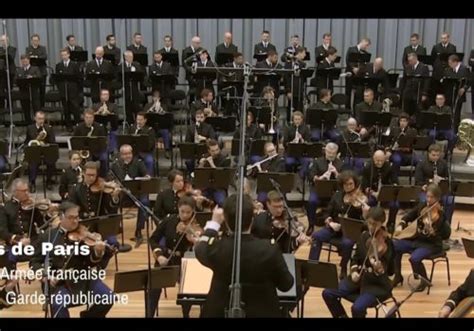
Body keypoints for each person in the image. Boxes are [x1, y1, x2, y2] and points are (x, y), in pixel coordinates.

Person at [195, 193, 294, 317]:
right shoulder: (269, 250)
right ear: (252, 220)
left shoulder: (216, 248)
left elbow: (199, 248)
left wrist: (214, 223)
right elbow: (286, 284)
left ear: (224, 219)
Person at [30, 201, 115, 318]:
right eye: (71, 218)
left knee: (108, 297)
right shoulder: (48, 236)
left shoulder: (83, 235)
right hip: (61, 283)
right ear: (61, 217)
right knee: (58, 305)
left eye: (77, 217)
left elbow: (91, 261)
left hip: (84, 279)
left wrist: (98, 252)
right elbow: (34, 261)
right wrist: (45, 276)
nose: (75, 221)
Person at [322, 207, 394, 318]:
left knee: (357, 308)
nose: (371, 227)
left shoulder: (387, 242)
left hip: (376, 285)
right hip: (358, 280)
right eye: (369, 223)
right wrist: (354, 271)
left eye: (374, 224)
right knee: (328, 293)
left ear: (381, 223)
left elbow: (390, 270)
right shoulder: (364, 236)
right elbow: (355, 258)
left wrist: (378, 269)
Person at [309, 170, 369, 278]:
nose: (349, 187)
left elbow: (365, 222)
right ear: (342, 185)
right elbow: (327, 212)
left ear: (355, 183)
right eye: (346, 184)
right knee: (316, 236)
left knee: (347, 243)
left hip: (350, 231)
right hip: (334, 228)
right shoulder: (337, 196)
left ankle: (344, 267)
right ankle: (312, 266)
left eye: (351, 184)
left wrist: (365, 212)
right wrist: (330, 222)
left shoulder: (361, 199)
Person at [392, 184, 451, 291]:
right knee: (395, 246)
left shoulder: (441, 214)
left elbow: (444, 234)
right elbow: (409, 215)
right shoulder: (422, 206)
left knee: (414, 258)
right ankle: (397, 276)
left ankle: (424, 280)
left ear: (437, 198)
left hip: (431, 244)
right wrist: (401, 224)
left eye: (431, 197)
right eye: (427, 196)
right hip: (417, 240)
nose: (428, 199)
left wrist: (431, 230)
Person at [148, 195, 199, 317]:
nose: (185, 215)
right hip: (167, 258)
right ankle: (149, 314)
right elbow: (153, 239)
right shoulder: (169, 220)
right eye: (182, 212)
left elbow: (203, 247)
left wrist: (194, 238)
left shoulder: (196, 224)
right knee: (154, 286)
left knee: (187, 289)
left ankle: (185, 314)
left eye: (188, 212)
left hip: (186, 261)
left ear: (193, 211)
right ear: (178, 208)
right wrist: (159, 255)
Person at [109, 144, 149, 247]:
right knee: (111, 200)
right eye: (125, 154)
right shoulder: (115, 165)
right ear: (120, 155)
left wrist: (143, 179)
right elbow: (110, 180)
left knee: (144, 203)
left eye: (129, 153)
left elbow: (147, 177)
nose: (127, 156)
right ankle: (114, 228)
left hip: (136, 193)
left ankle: (139, 230)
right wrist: (115, 186)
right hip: (122, 193)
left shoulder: (139, 163)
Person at [24, 110, 56, 192]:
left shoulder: (48, 128)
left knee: (51, 162)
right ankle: (32, 182)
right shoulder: (30, 128)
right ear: (35, 118)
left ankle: (49, 181)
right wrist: (36, 140)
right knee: (33, 163)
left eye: (42, 119)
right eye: (39, 119)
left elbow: (53, 142)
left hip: (46, 152)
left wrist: (45, 144)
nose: (41, 121)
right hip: (34, 152)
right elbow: (27, 142)